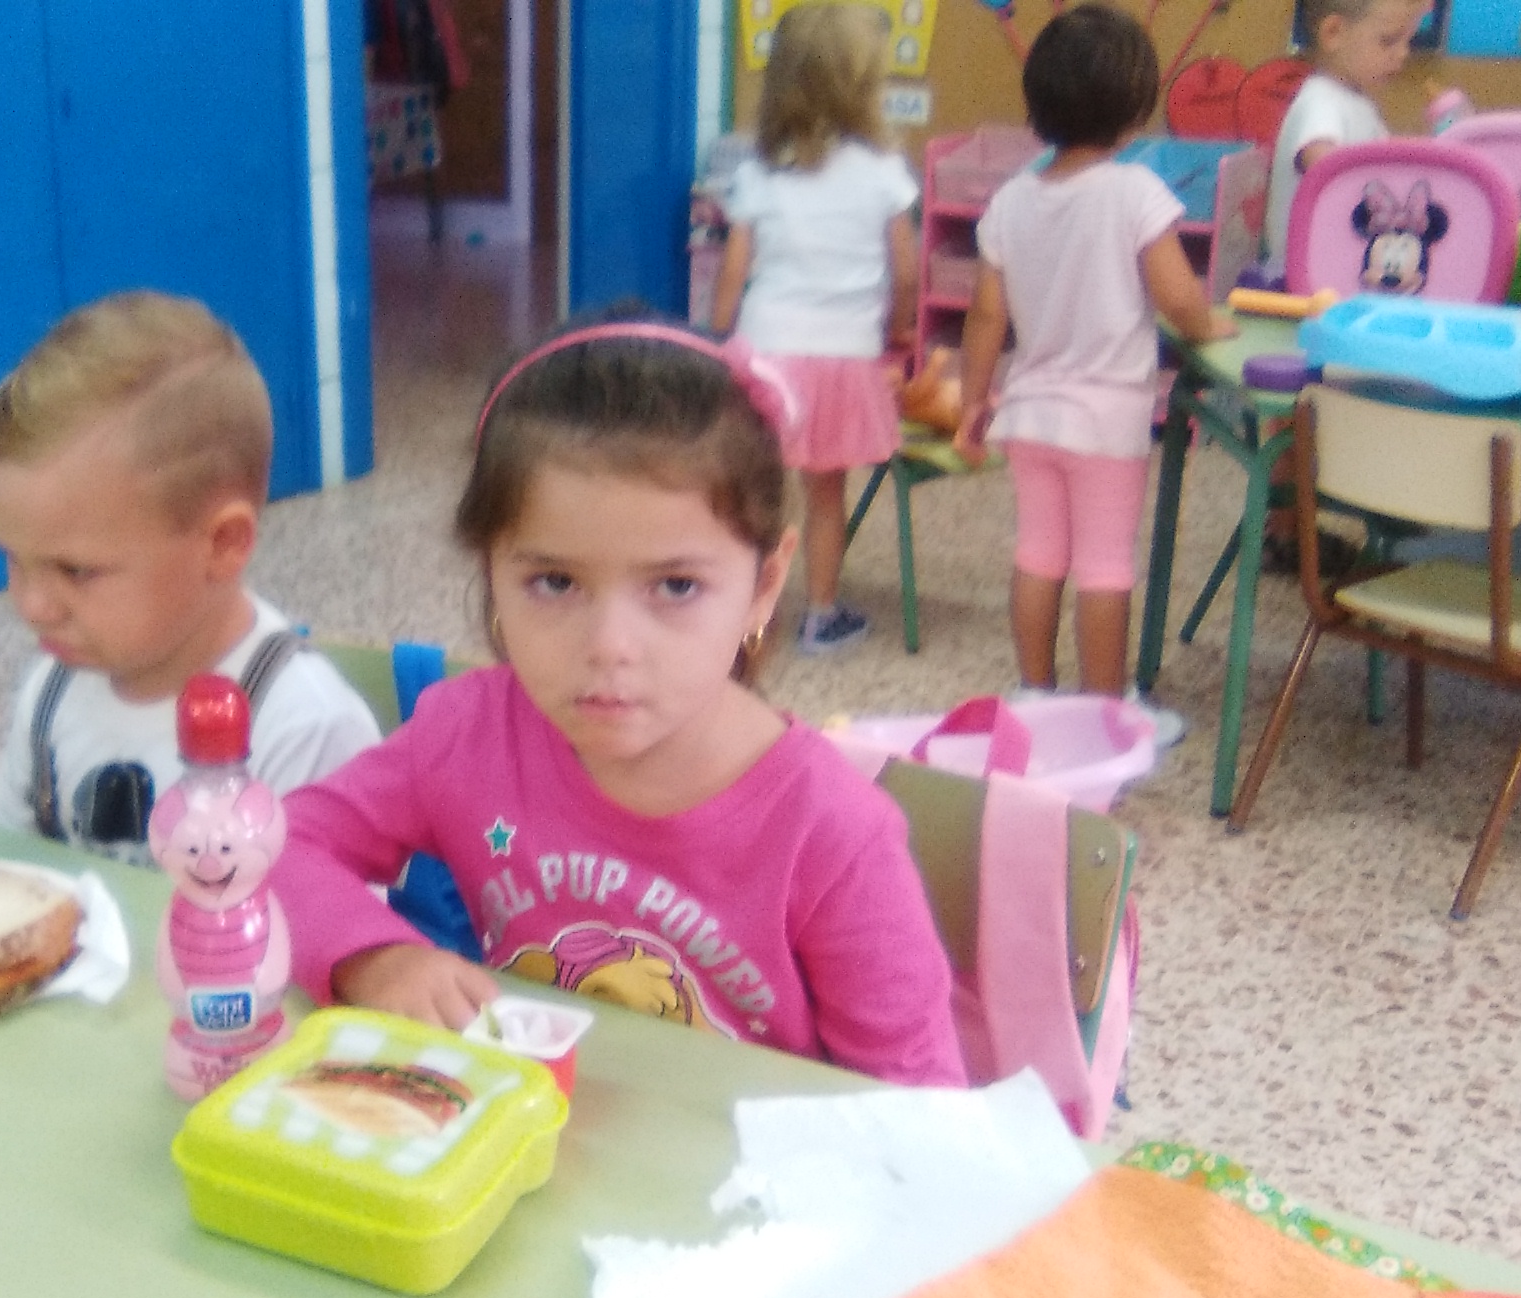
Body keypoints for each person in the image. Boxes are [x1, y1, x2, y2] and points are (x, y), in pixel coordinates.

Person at [272, 320, 965, 1087]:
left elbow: (923, 1106)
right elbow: (274, 843)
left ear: (763, 586)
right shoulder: (466, 734)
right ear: (491, 572)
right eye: (555, 582)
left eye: (676, 586)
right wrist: (373, 955)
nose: (610, 646)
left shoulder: (833, 833)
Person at [0, 291, 380, 865]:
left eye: (75, 570)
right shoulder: (49, 692)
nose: (33, 606)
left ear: (222, 544)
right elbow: (8, 869)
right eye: (13, 559)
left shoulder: (301, 725)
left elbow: (330, 919)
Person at [953, 4, 1235, 742]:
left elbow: (986, 317)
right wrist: (1209, 325)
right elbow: (1177, 297)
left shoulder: (1011, 200)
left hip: (1030, 415)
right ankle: (1108, 713)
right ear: (1135, 111)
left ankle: (1035, 694)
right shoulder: (1135, 192)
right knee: (1105, 566)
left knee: (1038, 554)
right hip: (1106, 424)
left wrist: (973, 402)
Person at [711, 1, 920, 656]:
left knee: (752, 490)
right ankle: (821, 616)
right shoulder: (885, 174)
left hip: (763, 353)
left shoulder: (758, 173)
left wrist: (714, 340)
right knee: (826, 495)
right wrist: (901, 331)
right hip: (841, 357)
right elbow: (906, 272)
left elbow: (733, 272)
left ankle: (733, 610)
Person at [1264, 0, 1430, 267]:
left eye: (1407, 41)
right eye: (1388, 41)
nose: (1402, 54)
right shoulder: (1320, 101)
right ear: (1334, 33)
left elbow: (1384, 160)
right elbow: (1328, 171)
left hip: (1334, 261)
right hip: (1302, 268)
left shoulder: (1358, 103)